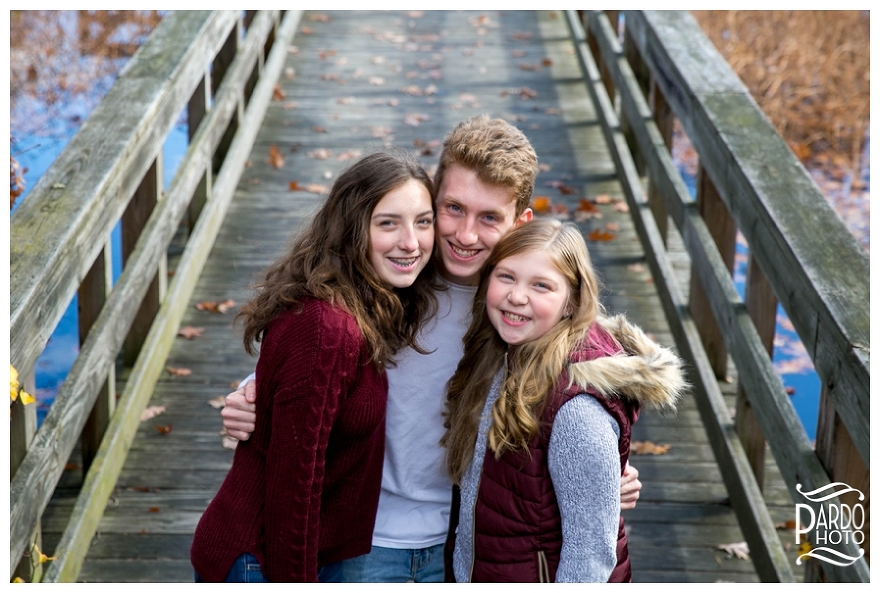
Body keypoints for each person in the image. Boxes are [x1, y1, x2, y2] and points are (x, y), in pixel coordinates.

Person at [220, 115, 643, 582]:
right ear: (433, 195)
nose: (465, 236)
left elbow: (574, 381)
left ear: (520, 222)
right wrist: (252, 392)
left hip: (460, 545)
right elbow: (315, 350)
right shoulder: (393, 275)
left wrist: (608, 469)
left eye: (488, 219)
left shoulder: (518, 306)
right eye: (453, 209)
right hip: (363, 540)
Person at [189, 150, 440, 582]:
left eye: (423, 221)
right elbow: (293, 491)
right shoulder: (329, 328)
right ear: (352, 228)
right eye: (388, 223)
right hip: (259, 561)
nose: (411, 242)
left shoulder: (366, 303)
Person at [443, 219, 686, 582]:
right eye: (506, 276)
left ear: (572, 301)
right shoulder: (506, 354)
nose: (517, 296)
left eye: (541, 285)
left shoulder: (575, 411)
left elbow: (590, 554)